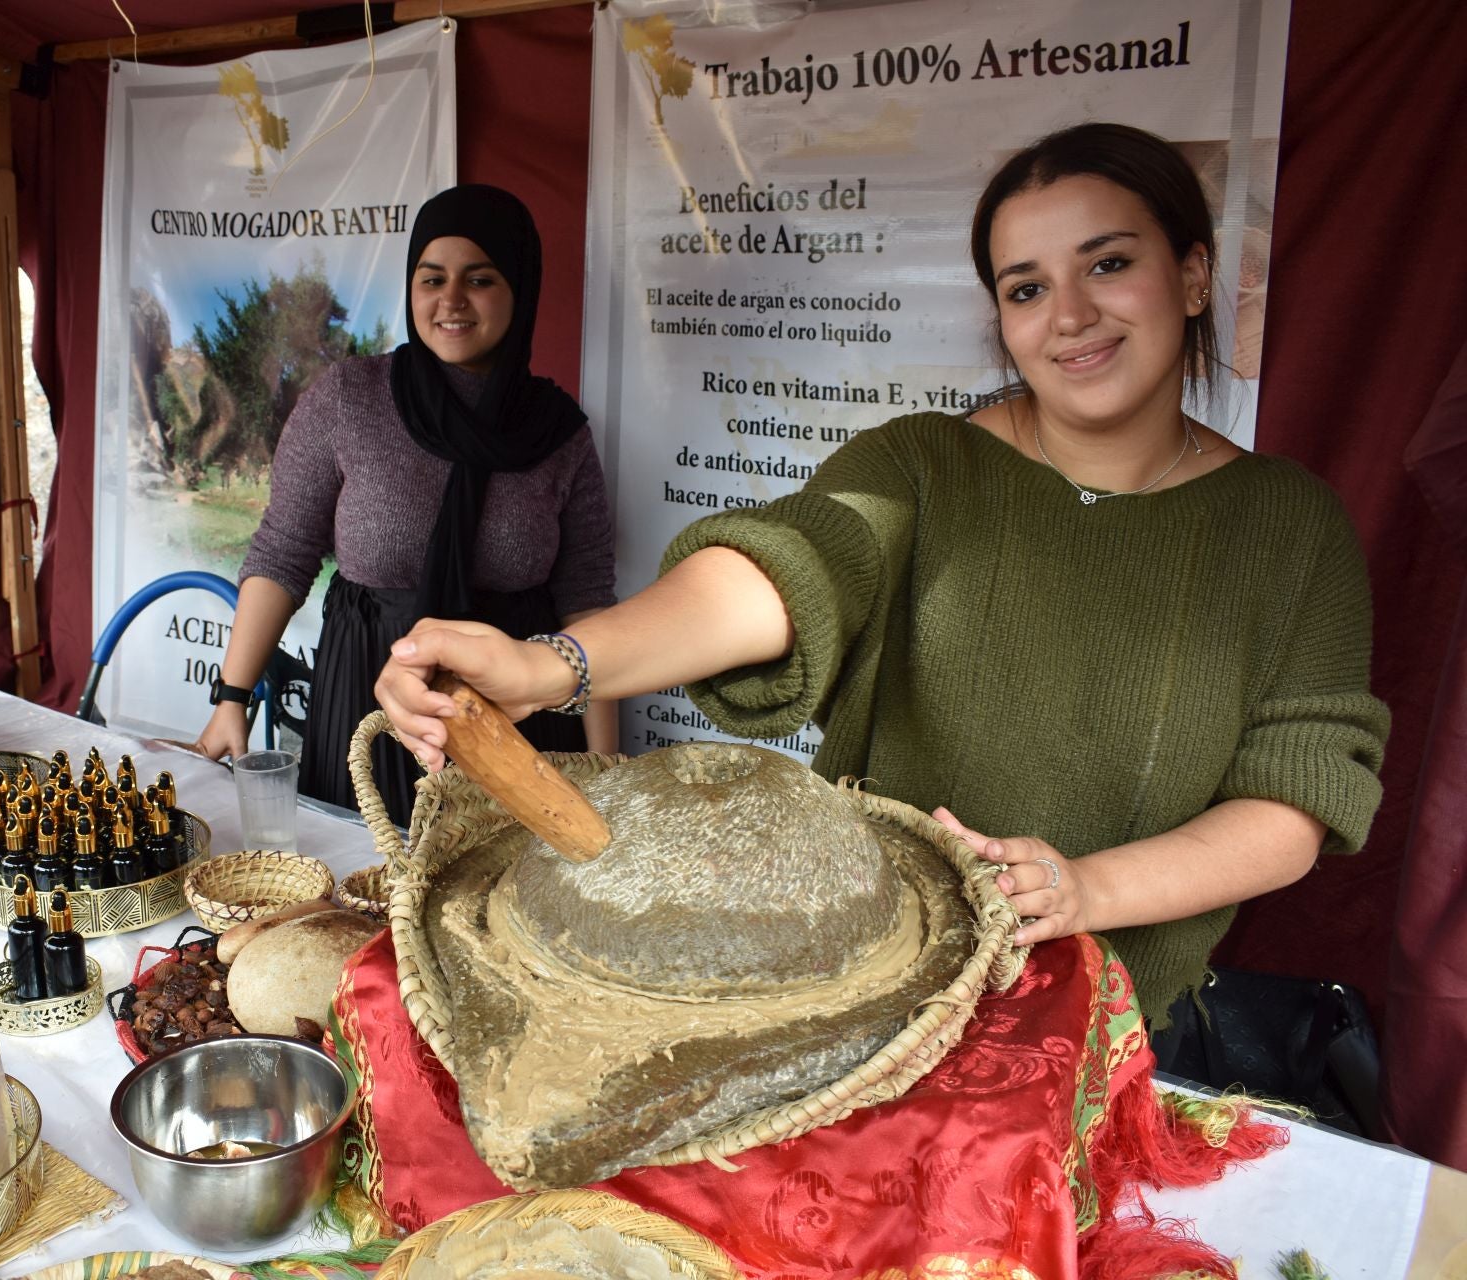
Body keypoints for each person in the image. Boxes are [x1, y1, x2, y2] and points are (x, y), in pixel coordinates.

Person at [375, 124, 1389, 1032]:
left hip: (1119, 1024)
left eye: (1110, 263)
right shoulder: (921, 465)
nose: (1070, 315)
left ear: (1195, 274)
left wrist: (1082, 888)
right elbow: (781, 570)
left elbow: (1292, 804)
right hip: (871, 995)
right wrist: (550, 664)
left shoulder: (1291, 527)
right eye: (1026, 287)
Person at [195, 184, 618, 825]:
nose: (451, 300)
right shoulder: (349, 399)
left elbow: (586, 601)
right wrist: (232, 700)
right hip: (365, 709)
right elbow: (283, 553)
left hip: (520, 724)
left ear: (520, 290)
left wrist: (605, 762)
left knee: (506, 908)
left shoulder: (559, 433)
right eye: (432, 277)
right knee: (360, 903)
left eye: (479, 279)